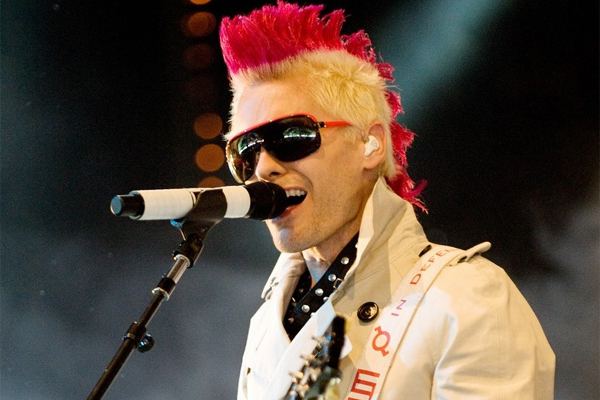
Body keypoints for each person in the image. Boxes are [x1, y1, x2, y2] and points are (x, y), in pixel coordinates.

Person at [219, 2, 555, 399]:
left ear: (371, 143)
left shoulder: (468, 298)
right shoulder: (265, 324)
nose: (263, 169)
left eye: (291, 137)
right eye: (244, 152)